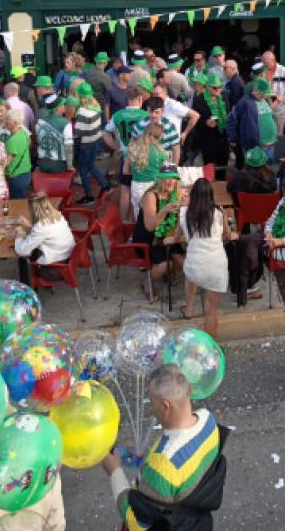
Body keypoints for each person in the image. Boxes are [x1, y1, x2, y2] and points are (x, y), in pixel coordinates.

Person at [102, 364, 229, 531]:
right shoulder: (208, 421)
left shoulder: (163, 465)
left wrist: (115, 472)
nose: (151, 407)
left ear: (166, 406)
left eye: (152, 401)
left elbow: (137, 524)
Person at [175, 178, 232, 337]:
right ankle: (211, 347)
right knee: (211, 313)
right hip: (217, 267)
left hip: (194, 268)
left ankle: (189, 307)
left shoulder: (185, 212)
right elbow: (227, 234)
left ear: (193, 195)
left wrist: (182, 206)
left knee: (189, 270)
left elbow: (175, 237)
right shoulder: (220, 212)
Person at [132, 164, 184, 299]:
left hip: (166, 234)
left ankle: (168, 272)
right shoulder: (151, 196)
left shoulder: (174, 191)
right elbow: (149, 226)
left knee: (183, 262)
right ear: (159, 179)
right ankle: (147, 283)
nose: (170, 181)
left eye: (173, 178)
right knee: (164, 264)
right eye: (166, 178)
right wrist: (165, 210)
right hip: (148, 239)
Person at [103, 85, 148, 219]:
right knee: (144, 191)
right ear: (140, 99)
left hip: (125, 157)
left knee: (125, 191)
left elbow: (105, 133)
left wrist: (116, 147)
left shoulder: (118, 115)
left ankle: (124, 221)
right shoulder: (146, 115)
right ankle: (140, 221)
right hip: (143, 158)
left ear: (127, 99)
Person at [15, 192, 75, 284]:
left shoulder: (41, 227)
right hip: (69, 259)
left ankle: (27, 286)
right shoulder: (57, 215)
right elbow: (48, 232)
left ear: (33, 210)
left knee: (24, 258)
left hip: (56, 269)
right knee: (33, 250)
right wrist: (31, 226)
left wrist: (19, 236)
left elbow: (22, 251)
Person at [227, 79, 277, 164]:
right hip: (255, 146)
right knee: (255, 172)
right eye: (263, 94)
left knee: (268, 171)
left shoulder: (265, 100)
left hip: (270, 144)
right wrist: (232, 139)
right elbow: (232, 119)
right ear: (255, 91)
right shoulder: (244, 102)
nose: (265, 96)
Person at [74, 83, 109, 205]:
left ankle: (89, 196)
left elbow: (78, 133)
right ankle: (105, 186)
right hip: (95, 141)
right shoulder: (96, 106)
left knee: (83, 170)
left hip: (85, 145)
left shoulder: (82, 111)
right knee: (91, 166)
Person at [126, 121, 168, 219]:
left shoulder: (133, 148)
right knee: (154, 214)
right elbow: (163, 174)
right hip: (154, 185)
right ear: (159, 136)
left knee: (138, 214)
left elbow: (125, 171)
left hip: (137, 185)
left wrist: (138, 172)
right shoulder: (161, 152)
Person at [192, 73, 230, 167]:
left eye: (219, 87)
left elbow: (229, 112)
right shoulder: (199, 100)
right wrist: (205, 122)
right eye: (214, 88)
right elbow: (194, 119)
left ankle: (221, 180)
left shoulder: (224, 96)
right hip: (208, 138)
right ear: (208, 87)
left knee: (223, 163)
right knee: (209, 165)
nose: (218, 90)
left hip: (223, 137)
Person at [132, 96, 181, 163]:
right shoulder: (139, 125)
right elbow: (132, 144)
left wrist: (174, 167)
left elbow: (176, 150)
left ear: (162, 111)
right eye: (150, 112)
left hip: (164, 164)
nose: (153, 115)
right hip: (144, 164)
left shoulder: (170, 127)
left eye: (156, 112)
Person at [152, 84, 200, 149]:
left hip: (172, 147)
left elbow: (195, 116)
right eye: (153, 95)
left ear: (165, 92)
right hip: (159, 146)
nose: (155, 97)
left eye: (157, 94)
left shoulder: (173, 105)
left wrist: (185, 133)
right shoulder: (155, 105)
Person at [36, 94, 74, 174]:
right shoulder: (66, 123)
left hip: (42, 164)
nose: (64, 106)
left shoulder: (39, 122)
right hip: (58, 165)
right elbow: (69, 147)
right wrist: (70, 166)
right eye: (63, 104)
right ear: (58, 109)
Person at [262, 51, 285, 136]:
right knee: (267, 131)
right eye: (263, 62)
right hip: (266, 104)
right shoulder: (263, 71)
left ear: (273, 60)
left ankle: (278, 148)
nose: (265, 64)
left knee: (278, 132)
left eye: (266, 62)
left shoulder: (284, 71)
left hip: (279, 105)